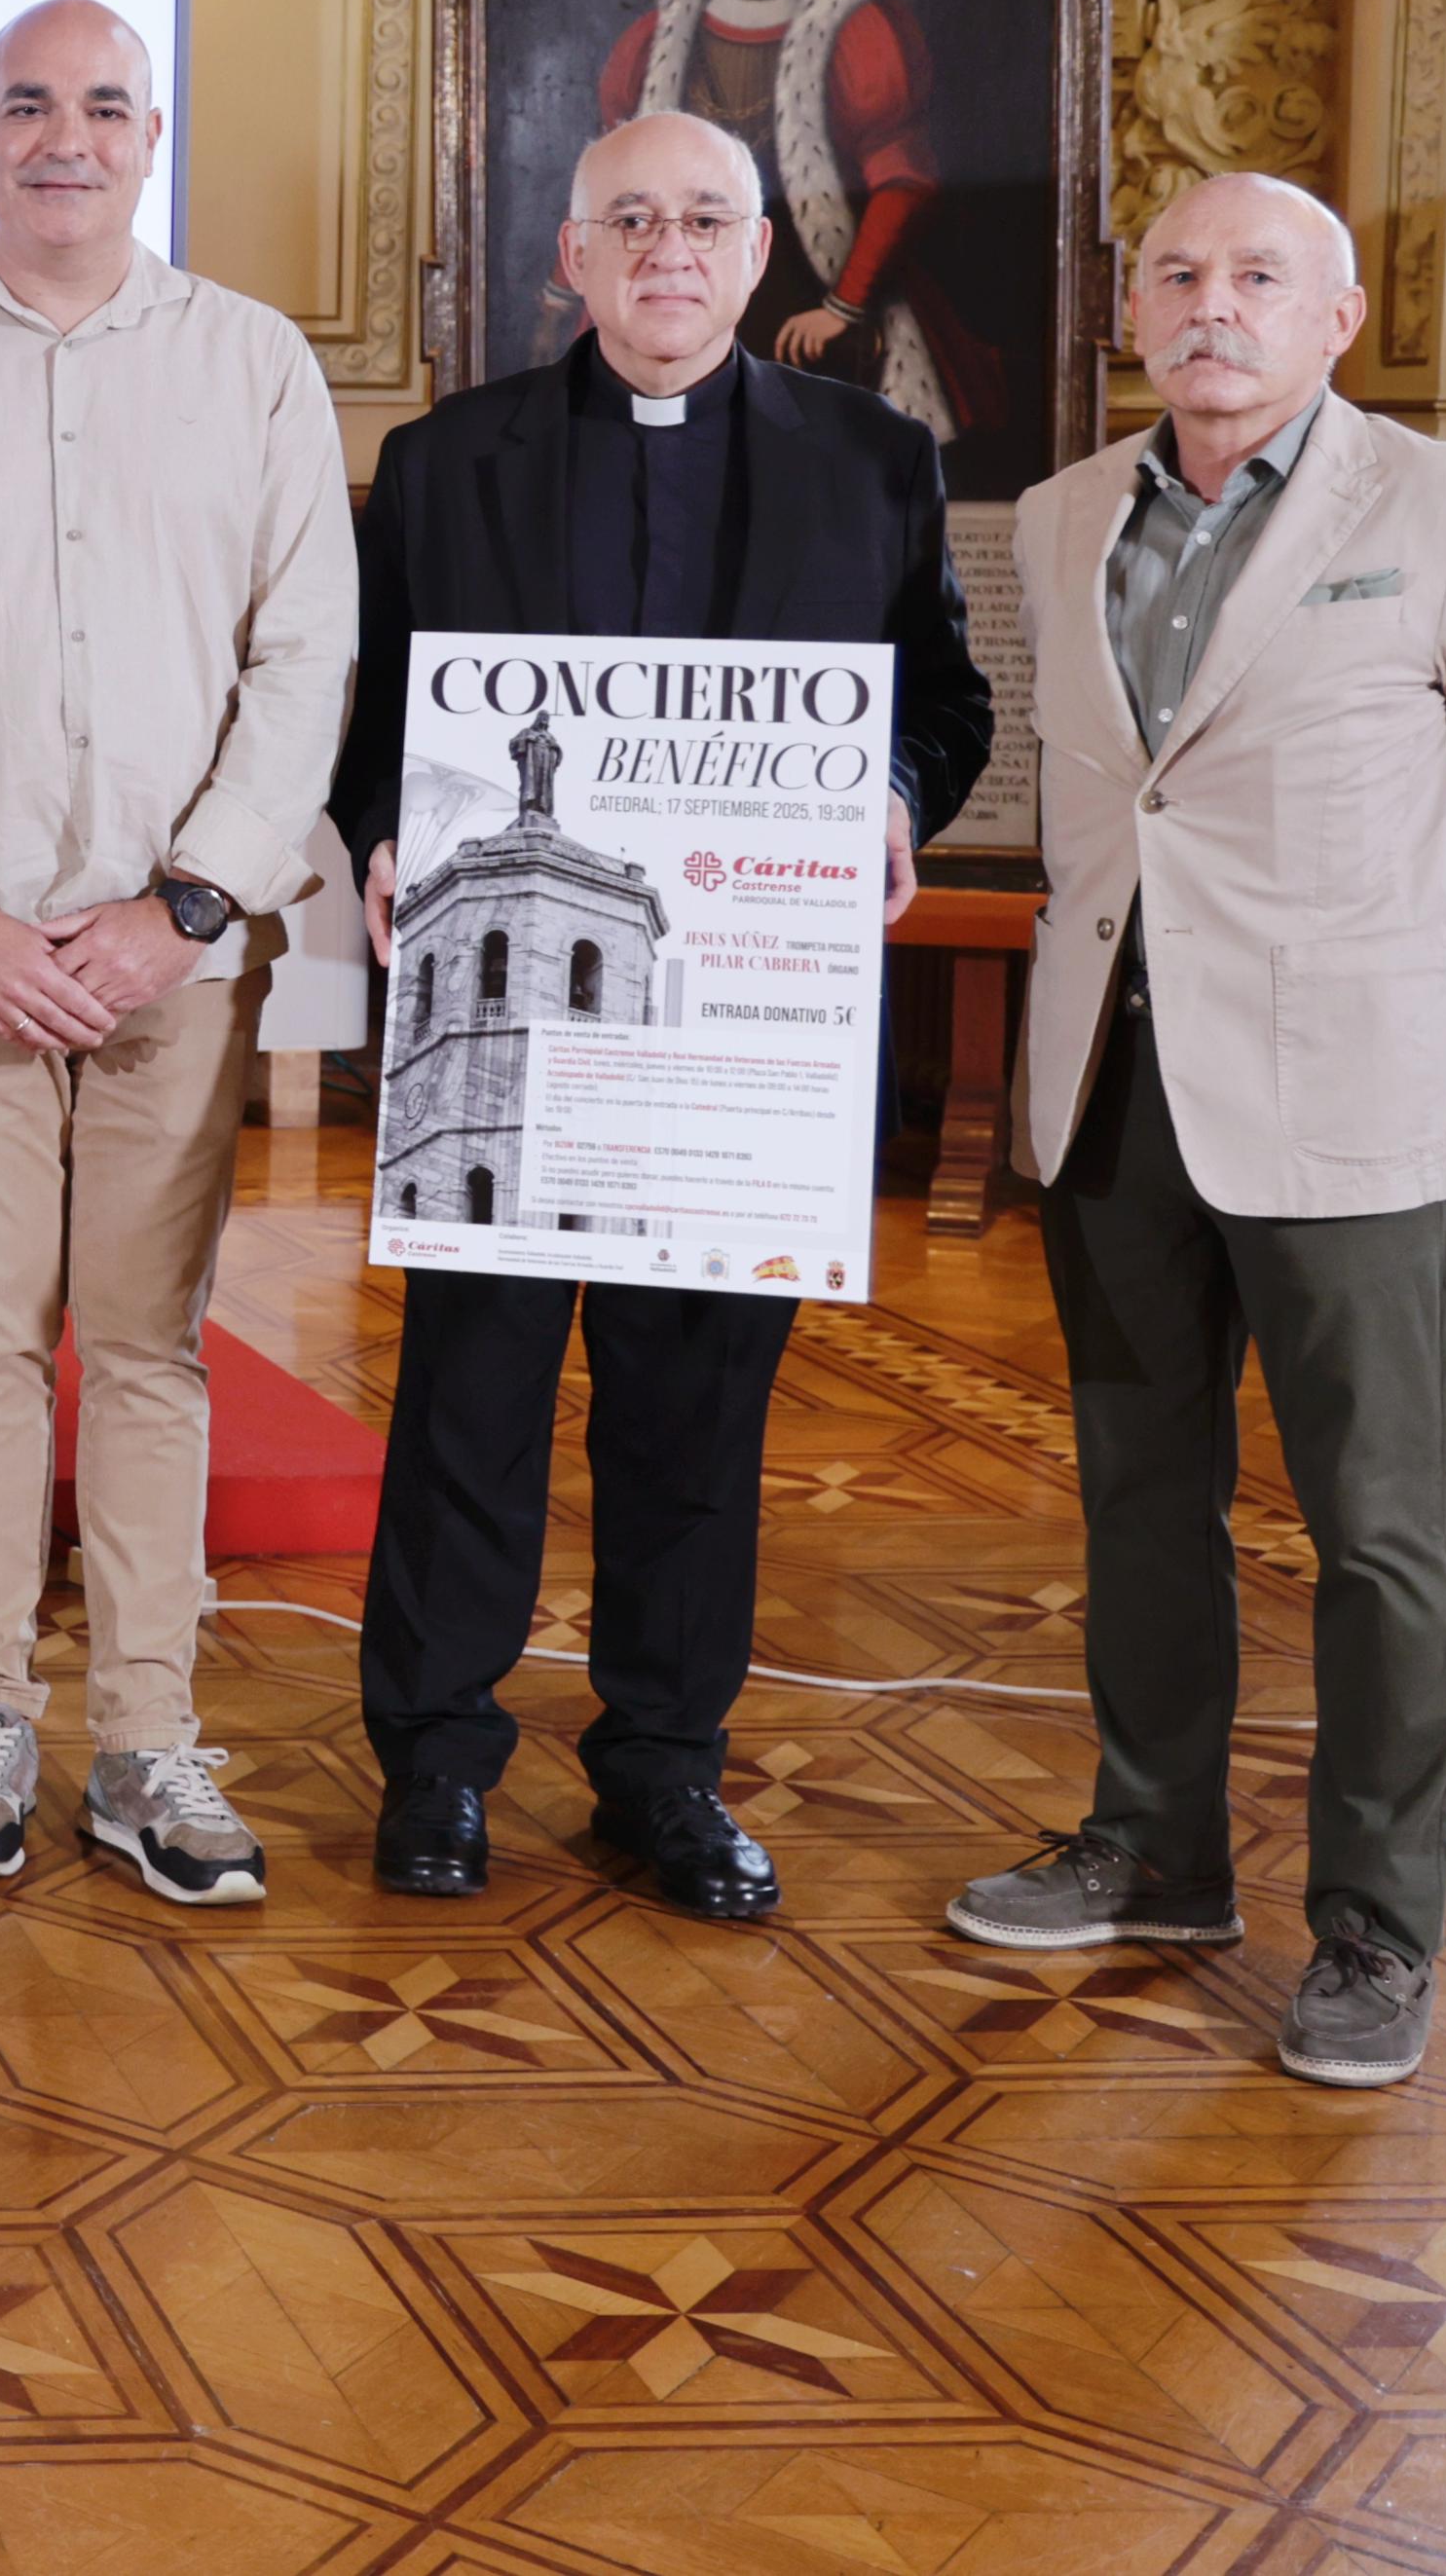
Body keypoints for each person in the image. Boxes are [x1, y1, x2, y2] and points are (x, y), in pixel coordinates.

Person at [941, 173, 1446, 2087]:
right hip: (1115, 1091)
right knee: (1139, 1492)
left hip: (1359, 1102)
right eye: (1177, 273)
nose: (1211, 304)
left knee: (1379, 1529)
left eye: (1258, 274)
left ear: (1336, 318)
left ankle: (1374, 1929)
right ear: (1132, 312)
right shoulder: (1064, 514)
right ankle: (1154, 1849)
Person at [335, 109, 993, 1919]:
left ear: (760, 253)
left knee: (694, 1411)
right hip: (510, 1012)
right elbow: (370, 710)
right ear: (573, 256)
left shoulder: (875, 461)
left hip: (727, 1037)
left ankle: (663, 1765)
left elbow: (943, 700)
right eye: (629, 219)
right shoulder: (445, 461)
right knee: (467, 1397)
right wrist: (386, 827)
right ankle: (438, 1756)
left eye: (705, 218)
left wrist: (893, 799)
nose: (668, 250)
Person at [0, 0, 356, 1898]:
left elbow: (304, 653)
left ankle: (148, 1738)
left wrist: (188, 903)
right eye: (27, 104)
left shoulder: (253, 363)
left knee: (148, 1343)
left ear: (148, 135)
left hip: (170, 955)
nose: (65, 136)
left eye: (103, 105)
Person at [589, 0, 1005, 456]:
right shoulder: (665, 33)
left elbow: (904, 182)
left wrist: (842, 307)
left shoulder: (852, 21)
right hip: (689, 294)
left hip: (817, 291)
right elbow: (605, 185)